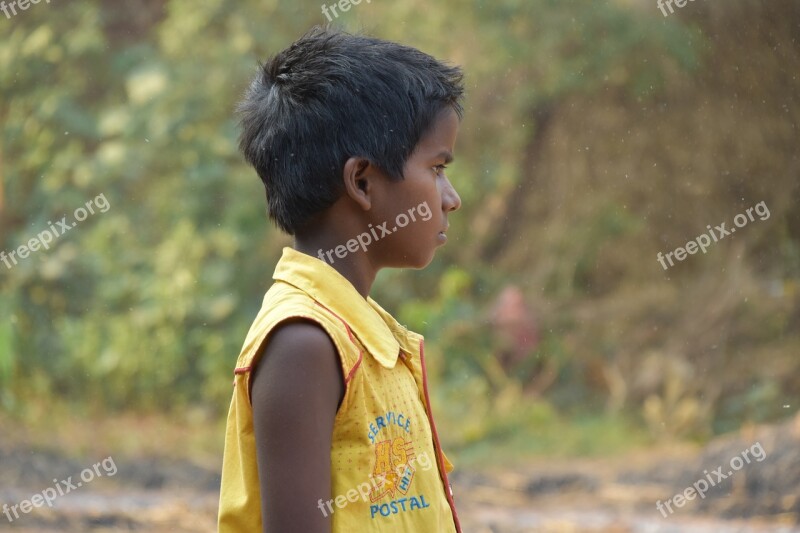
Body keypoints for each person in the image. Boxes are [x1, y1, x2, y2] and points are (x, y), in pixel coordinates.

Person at [217, 26, 465, 532]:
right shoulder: (304, 343)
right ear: (362, 182)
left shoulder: (370, 338)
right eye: (437, 168)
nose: (451, 197)